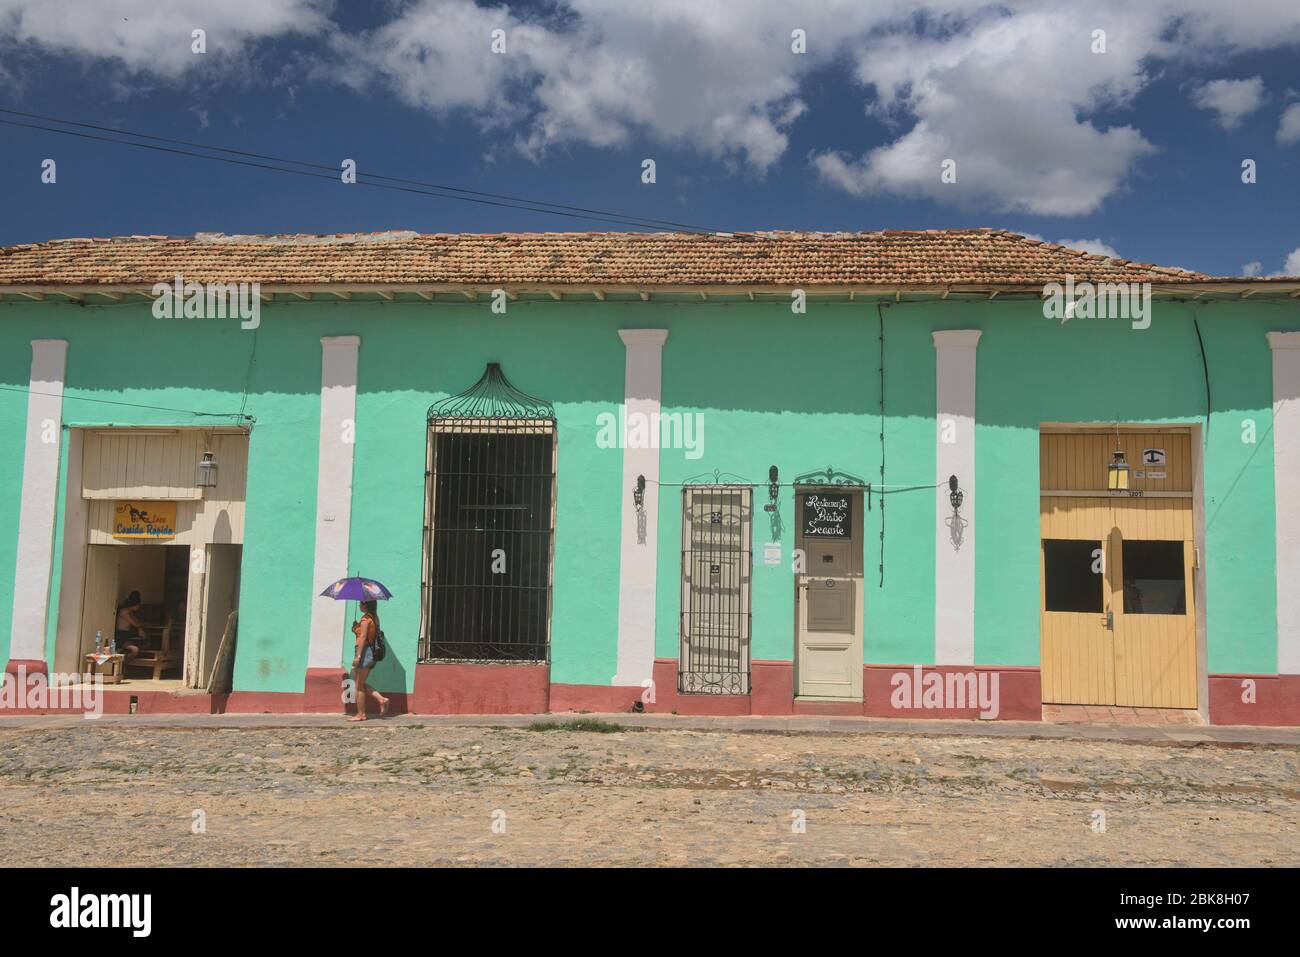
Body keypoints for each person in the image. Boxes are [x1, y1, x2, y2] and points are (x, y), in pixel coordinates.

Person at [349, 600, 389, 721]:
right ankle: (381, 699)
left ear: (366, 605)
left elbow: (363, 637)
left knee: (359, 685)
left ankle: (361, 714)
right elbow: (368, 634)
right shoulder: (374, 618)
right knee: (359, 682)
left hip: (365, 653)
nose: (359, 605)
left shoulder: (365, 620)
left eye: (361, 603)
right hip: (370, 652)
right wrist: (356, 628)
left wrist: (358, 656)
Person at [114, 591, 147, 661]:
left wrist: (140, 627)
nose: (139, 607)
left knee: (144, 644)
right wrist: (139, 627)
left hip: (127, 635)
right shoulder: (124, 612)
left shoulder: (130, 612)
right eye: (138, 605)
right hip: (121, 636)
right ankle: (122, 664)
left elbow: (137, 622)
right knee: (135, 650)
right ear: (135, 604)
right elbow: (135, 624)